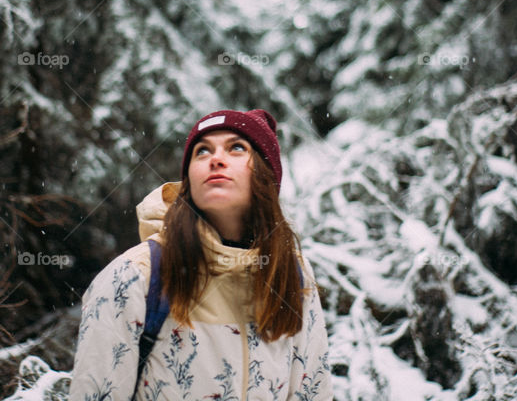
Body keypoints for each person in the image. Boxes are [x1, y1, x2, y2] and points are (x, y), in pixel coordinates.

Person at [69, 109, 331, 400]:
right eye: (202, 151)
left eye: (236, 148)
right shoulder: (134, 275)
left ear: (265, 173)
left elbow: (312, 391)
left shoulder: (292, 272)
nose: (215, 159)